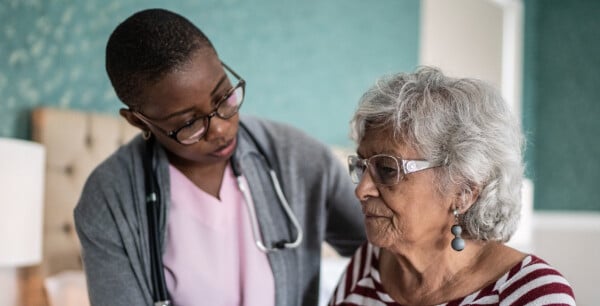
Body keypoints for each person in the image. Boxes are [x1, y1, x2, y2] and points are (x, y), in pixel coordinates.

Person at [74, 8, 366, 306]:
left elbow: (389, 252)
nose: (221, 129)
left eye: (224, 97)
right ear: (139, 122)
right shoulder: (108, 202)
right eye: (188, 123)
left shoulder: (299, 158)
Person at [328, 67, 576, 305]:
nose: (361, 190)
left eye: (387, 169)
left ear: (463, 192)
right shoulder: (368, 264)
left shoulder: (532, 295)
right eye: (361, 166)